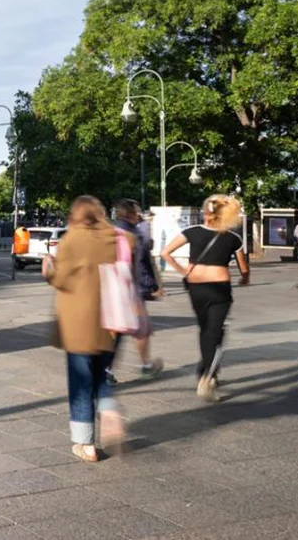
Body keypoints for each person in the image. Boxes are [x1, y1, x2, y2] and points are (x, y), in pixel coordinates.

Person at [43, 195, 131, 463]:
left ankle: (85, 443)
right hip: (112, 319)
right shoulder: (114, 238)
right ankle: (109, 411)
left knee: (81, 382)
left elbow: (60, 279)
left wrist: (49, 269)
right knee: (102, 375)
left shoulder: (72, 239)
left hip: (79, 323)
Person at [161, 194, 250, 402]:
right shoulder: (233, 238)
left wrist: (184, 271)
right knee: (216, 333)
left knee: (205, 329)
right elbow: (244, 269)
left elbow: (165, 253)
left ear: (206, 212)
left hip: (196, 287)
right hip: (220, 287)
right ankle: (206, 377)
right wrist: (245, 279)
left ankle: (207, 372)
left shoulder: (191, 232)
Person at [111, 199, 163, 379]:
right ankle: (146, 365)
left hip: (110, 286)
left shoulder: (109, 232)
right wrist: (153, 286)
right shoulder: (134, 234)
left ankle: (106, 370)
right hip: (131, 288)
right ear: (132, 214)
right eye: (138, 212)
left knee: (115, 329)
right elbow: (142, 262)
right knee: (142, 328)